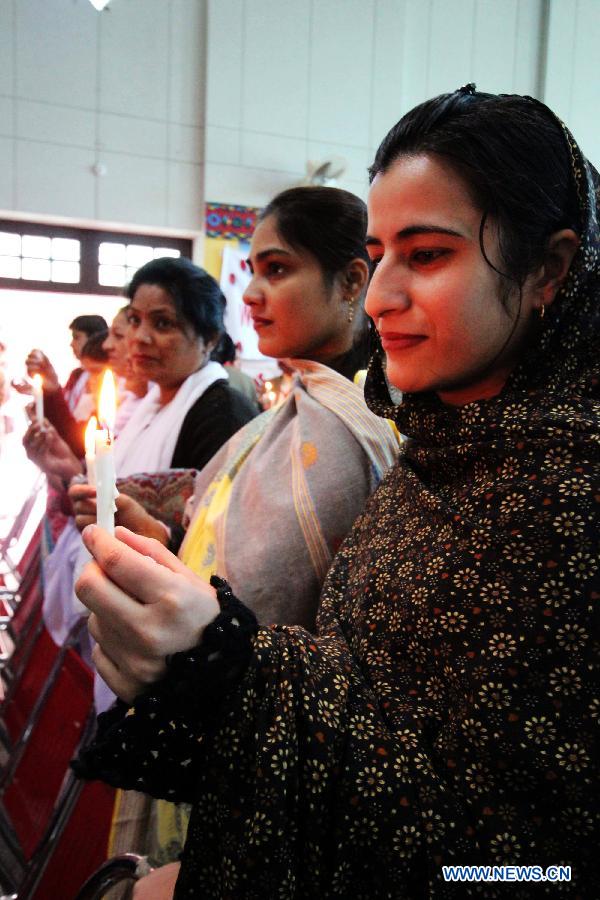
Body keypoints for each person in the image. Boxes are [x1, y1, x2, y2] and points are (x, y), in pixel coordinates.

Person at [74, 88, 599, 899]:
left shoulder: (569, 495)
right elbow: (366, 677)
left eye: (426, 255)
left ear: (548, 270)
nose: (382, 296)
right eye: (382, 251)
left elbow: (525, 868)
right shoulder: (438, 450)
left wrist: (226, 664)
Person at [69, 187, 399, 878]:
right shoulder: (292, 408)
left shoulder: (367, 427)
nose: (250, 292)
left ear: (350, 282)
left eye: (277, 270)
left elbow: (293, 606)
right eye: (251, 270)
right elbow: (227, 555)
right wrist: (160, 542)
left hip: (287, 757)